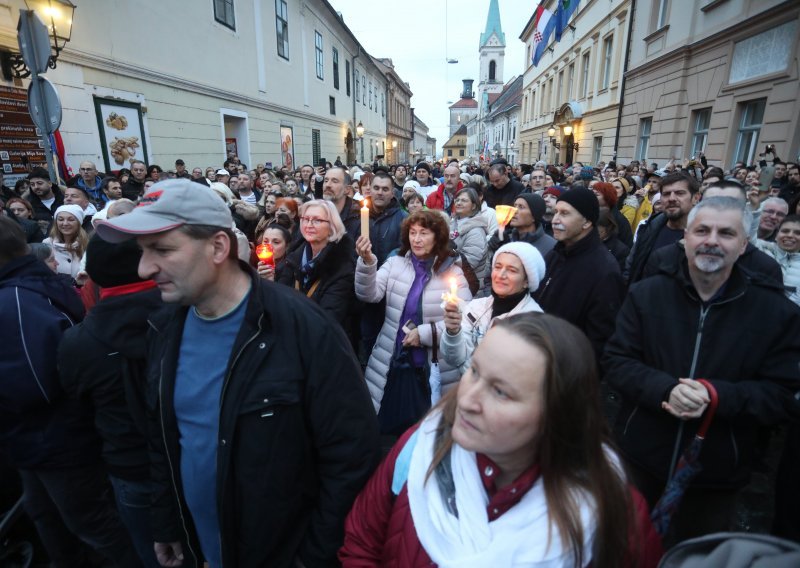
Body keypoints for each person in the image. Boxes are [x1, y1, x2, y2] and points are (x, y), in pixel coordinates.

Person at [94, 179, 379, 567]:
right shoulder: (163, 327)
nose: (145, 267)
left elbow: (352, 460)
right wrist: (167, 521)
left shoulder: (304, 329)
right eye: (143, 251)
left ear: (218, 247)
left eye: (162, 249)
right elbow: (165, 438)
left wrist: (311, 559)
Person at [340, 313, 663, 567]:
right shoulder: (422, 443)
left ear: (556, 414)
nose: (466, 401)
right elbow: (362, 540)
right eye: (475, 372)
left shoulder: (610, 511)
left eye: (500, 392)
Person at [603, 197, 800, 546]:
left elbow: (780, 394)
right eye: (702, 230)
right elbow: (618, 361)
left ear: (744, 245)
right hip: (642, 460)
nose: (711, 240)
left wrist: (716, 396)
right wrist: (665, 390)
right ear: (686, 238)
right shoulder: (646, 295)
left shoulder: (774, 312)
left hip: (716, 475)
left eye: (726, 233)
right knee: (626, 548)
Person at [0, 216, 141, 567]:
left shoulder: (15, 299)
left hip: (54, 440)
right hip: (37, 441)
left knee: (94, 525)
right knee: (45, 515)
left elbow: (34, 383)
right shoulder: (31, 284)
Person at [57, 234, 163, 568]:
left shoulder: (78, 341)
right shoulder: (189, 313)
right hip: (190, 458)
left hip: (130, 466)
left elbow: (77, 405)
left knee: (154, 556)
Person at [355, 210, 471, 435]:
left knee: (426, 434)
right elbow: (369, 294)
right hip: (391, 361)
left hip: (431, 368)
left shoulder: (453, 272)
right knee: (385, 433)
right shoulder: (395, 264)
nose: (416, 239)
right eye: (412, 232)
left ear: (438, 237)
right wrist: (367, 262)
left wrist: (425, 333)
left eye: (424, 233)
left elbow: (465, 319)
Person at [534, 187, 626, 362]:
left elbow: (600, 341)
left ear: (586, 222)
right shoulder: (555, 254)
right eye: (555, 213)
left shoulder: (604, 270)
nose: (555, 220)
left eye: (565, 214)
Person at [441, 242, 544, 371]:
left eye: (512, 270)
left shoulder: (534, 323)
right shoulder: (476, 307)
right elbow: (454, 359)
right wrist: (453, 332)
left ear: (526, 281)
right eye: (498, 267)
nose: (501, 275)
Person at [277, 200, 356, 327]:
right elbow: (279, 298)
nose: (309, 224)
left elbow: (328, 318)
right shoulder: (293, 256)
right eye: (306, 219)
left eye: (317, 220)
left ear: (332, 227)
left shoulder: (341, 266)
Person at [625, 171, 700, 284]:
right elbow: (631, 267)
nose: (671, 198)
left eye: (679, 193)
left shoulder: (706, 237)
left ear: (696, 198)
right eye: (666, 194)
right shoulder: (649, 227)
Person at [488, 193, 556, 259]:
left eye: (521, 207)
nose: (514, 211)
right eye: (515, 206)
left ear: (534, 216)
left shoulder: (551, 246)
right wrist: (498, 250)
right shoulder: (508, 239)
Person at [753, 214, 800, 305]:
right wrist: (755, 208)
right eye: (785, 231)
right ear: (776, 235)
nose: (790, 235)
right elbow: (748, 234)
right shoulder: (760, 248)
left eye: (798, 233)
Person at [449, 187, 488, 291]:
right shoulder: (453, 223)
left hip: (470, 285)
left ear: (474, 206)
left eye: (464, 200)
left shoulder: (476, 231)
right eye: (457, 200)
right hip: (455, 281)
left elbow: (470, 262)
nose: (459, 203)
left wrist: (447, 255)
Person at [43, 204, 89, 281]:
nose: (65, 223)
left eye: (71, 220)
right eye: (60, 219)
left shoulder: (88, 245)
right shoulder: (47, 244)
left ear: (79, 222)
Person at [255, 218, 291, 282]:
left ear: (287, 246)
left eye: (276, 242)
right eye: (265, 241)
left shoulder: (291, 271)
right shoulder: (259, 263)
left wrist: (270, 282)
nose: (269, 247)